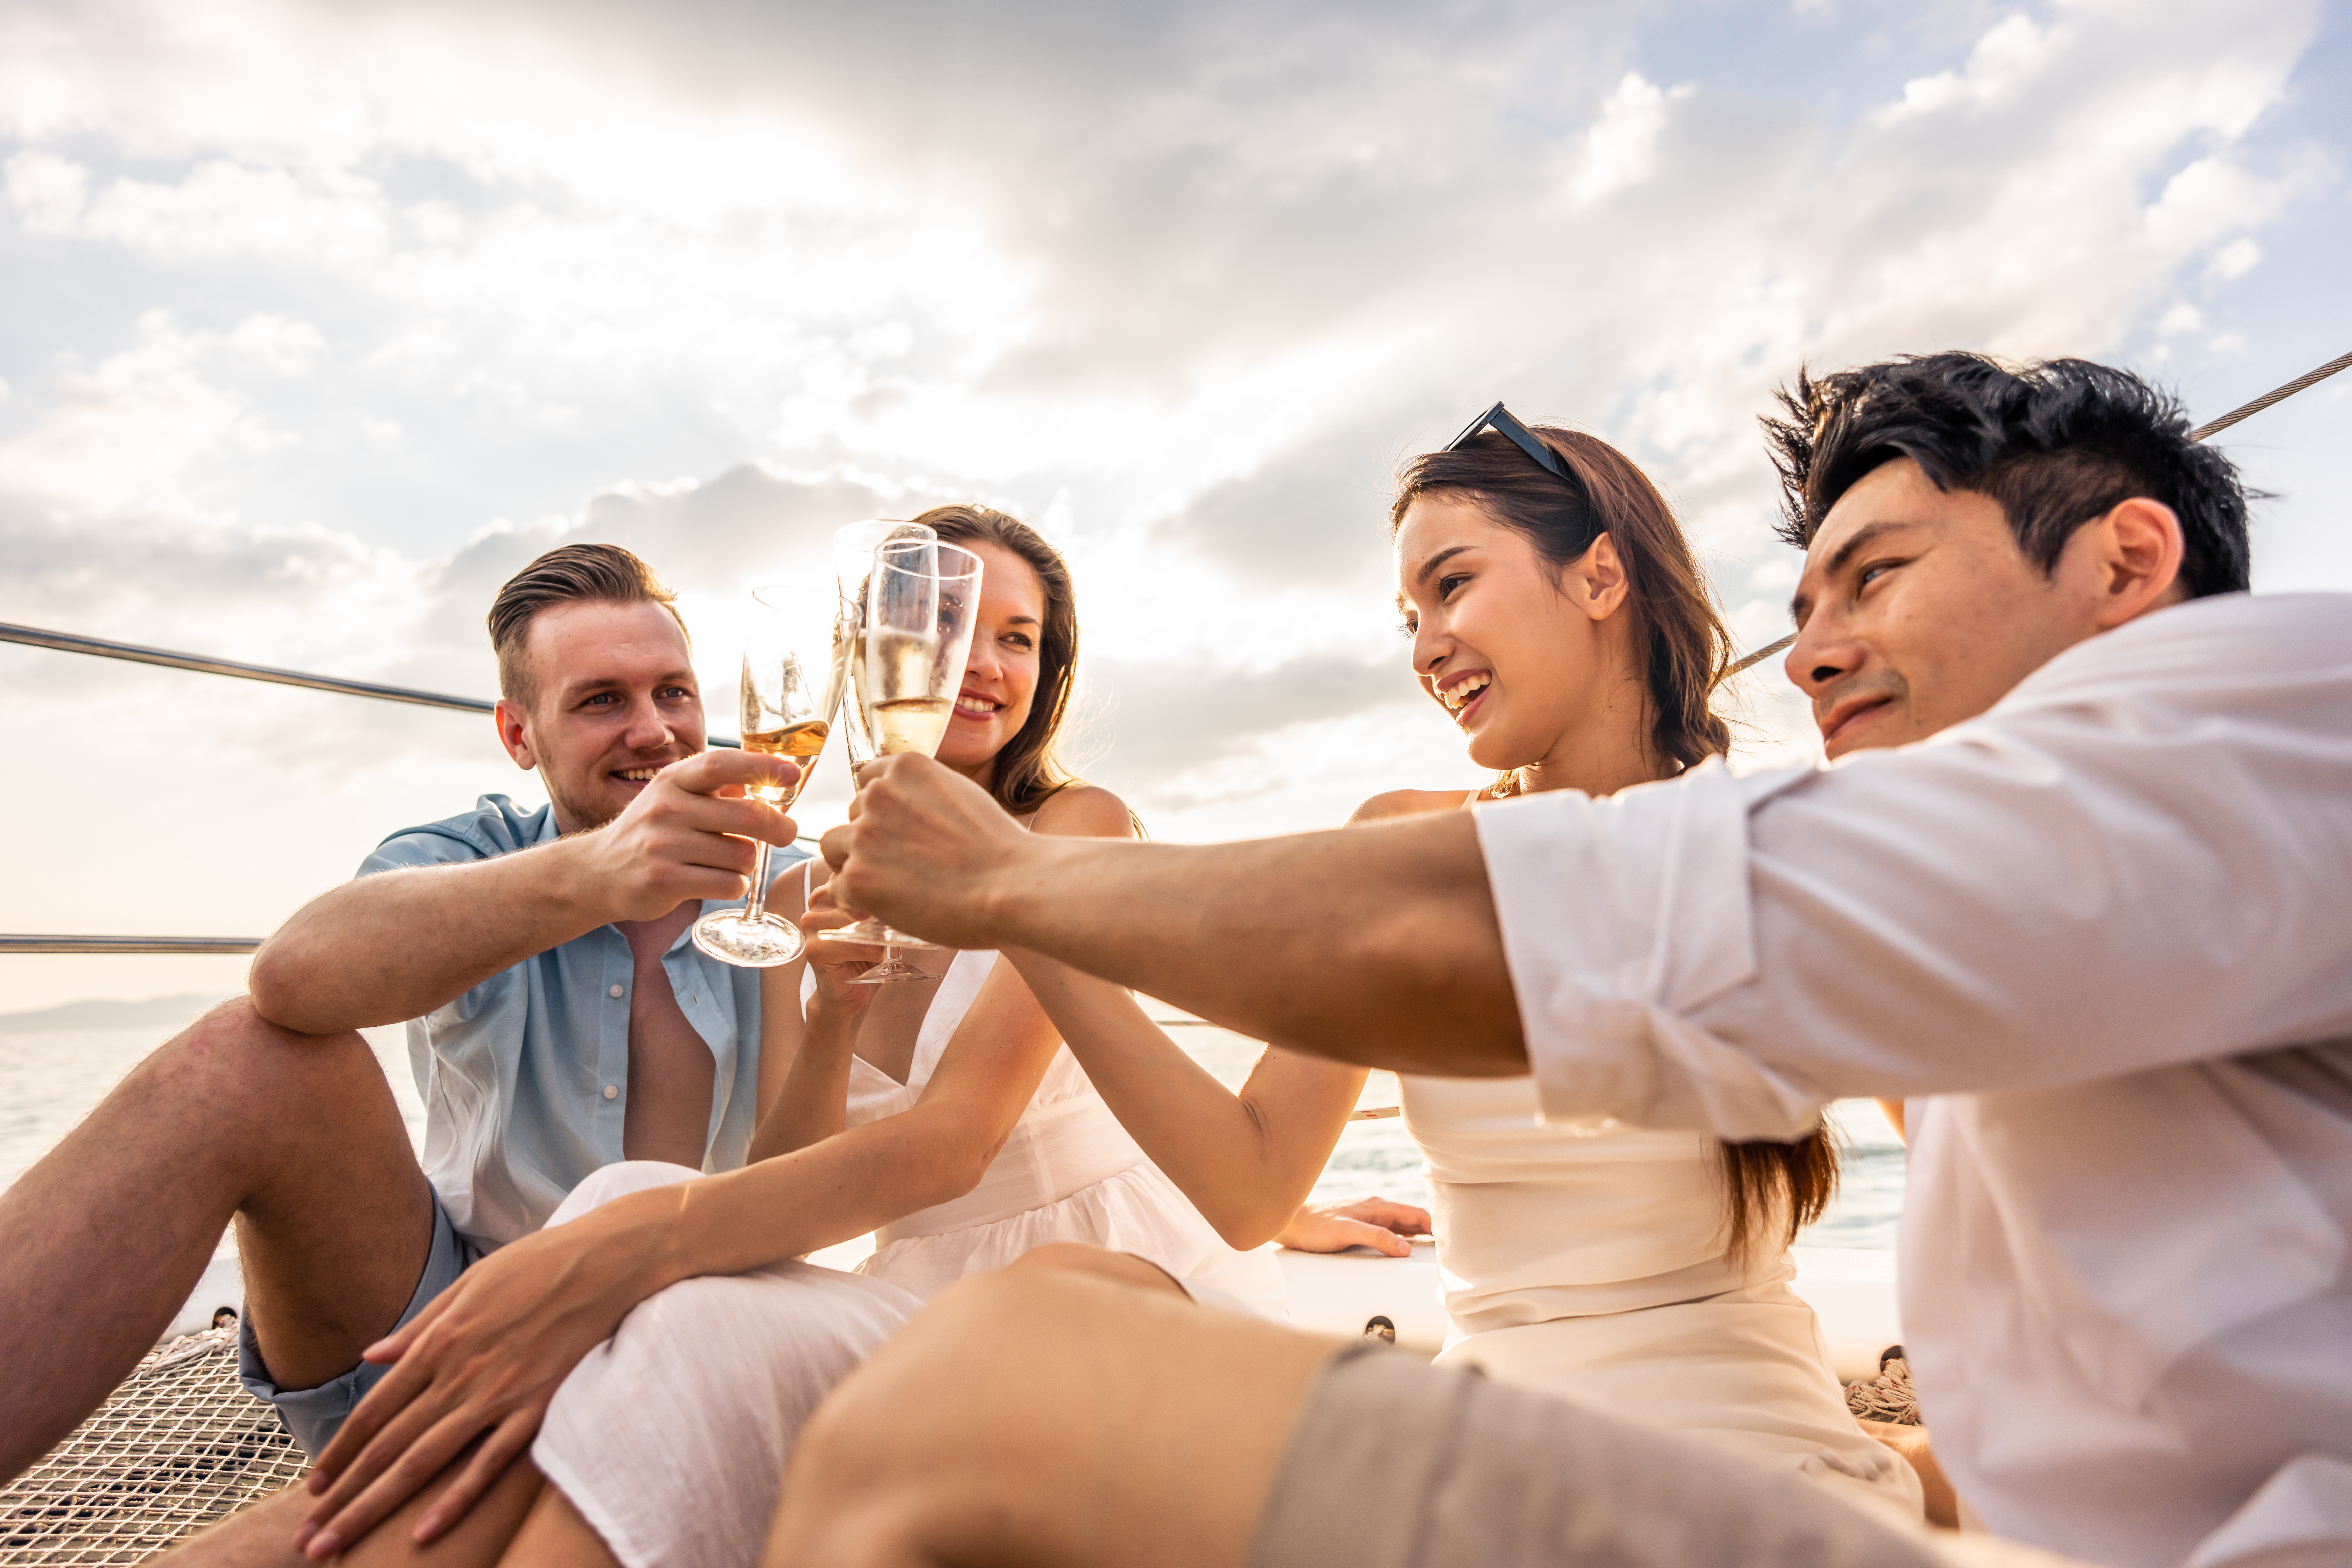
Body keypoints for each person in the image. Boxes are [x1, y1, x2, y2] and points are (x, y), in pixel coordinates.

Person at [779, 355, 2352, 1568]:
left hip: (1718, 1461)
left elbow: (1465, 928)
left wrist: (1016, 889)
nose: (1809, 649)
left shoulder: (2260, 714)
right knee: (1071, 1289)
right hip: (1552, 1427)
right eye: (1806, 604)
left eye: (1876, 578)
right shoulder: (2013, 917)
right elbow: (1262, 1169)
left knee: (989, 1376)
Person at [261, 504, 1289, 1568]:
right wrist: (832, 1016)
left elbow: (959, 1141)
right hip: (917, 1287)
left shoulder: (1078, 829)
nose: (979, 664)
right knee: (638, 1252)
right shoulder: (806, 882)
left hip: (1090, 1269)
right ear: (868, 648)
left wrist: (629, 1247)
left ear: (1050, 669)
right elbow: (789, 1168)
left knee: (630, 1217)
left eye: (1018, 638)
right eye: (950, 624)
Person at [1002, 416, 1915, 1512]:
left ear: (1601, 576)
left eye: (1454, 585)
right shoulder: (1399, 840)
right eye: (1410, 618)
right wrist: (1027, 923)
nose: (1426, 646)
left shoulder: (1765, 845)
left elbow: (1977, 1171)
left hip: (1740, 1456)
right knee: (1046, 1306)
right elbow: (1250, 1189)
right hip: (1481, 1436)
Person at [0, 543, 822, 1493]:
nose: (655, 731)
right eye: (602, 701)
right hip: (441, 1322)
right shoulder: (473, 858)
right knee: (241, 1058)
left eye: (673, 694)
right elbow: (294, 977)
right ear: (519, 736)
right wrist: (594, 878)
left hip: (690, 1332)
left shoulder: (784, 895)